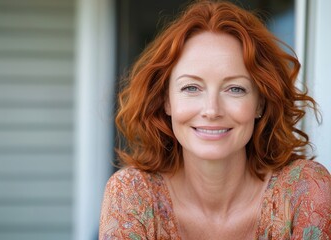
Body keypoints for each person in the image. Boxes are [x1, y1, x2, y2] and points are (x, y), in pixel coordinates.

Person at [99, 0, 331, 239]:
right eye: (191, 87)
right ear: (166, 101)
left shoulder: (305, 190)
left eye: (235, 89)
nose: (212, 110)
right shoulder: (131, 194)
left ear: (260, 103)